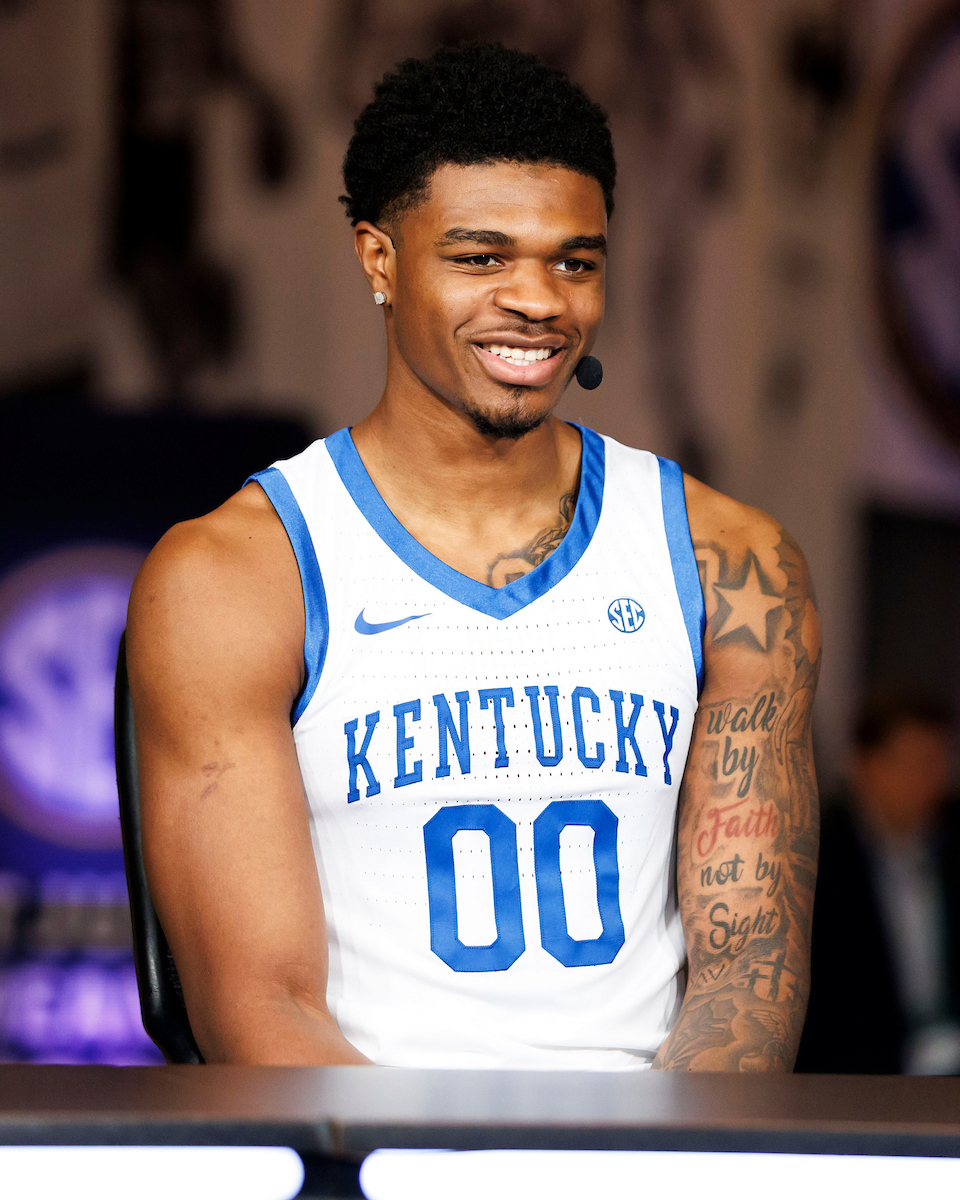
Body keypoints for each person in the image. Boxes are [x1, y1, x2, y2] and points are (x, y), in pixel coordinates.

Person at [126, 42, 820, 1071]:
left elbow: (744, 981)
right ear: (379, 260)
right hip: (364, 1145)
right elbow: (261, 1010)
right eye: (481, 258)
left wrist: (657, 1159)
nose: (539, 300)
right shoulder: (236, 577)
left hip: (655, 1147)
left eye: (574, 262)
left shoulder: (733, 565)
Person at [797, 692, 960, 1075]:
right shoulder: (817, 855)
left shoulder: (952, 842)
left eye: (936, 762)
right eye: (910, 763)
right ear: (863, 766)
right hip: (852, 1072)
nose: (926, 780)